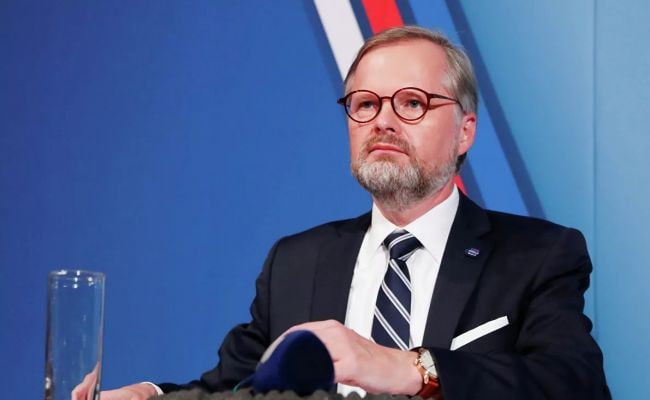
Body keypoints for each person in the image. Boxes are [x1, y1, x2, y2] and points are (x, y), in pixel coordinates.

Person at [87, 26, 611, 399]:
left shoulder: (537, 255)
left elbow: (575, 385)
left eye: (411, 102)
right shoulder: (296, 261)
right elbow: (233, 388)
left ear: (465, 132)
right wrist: (152, 395)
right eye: (365, 104)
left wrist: (413, 370)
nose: (382, 121)